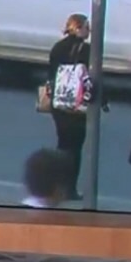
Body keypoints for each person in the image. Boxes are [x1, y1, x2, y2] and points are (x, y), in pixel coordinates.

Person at [46, 13, 91, 201]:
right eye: (87, 27)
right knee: (75, 147)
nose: (89, 30)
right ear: (78, 28)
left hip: (59, 102)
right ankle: (70, 188)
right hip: (77, 103)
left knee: (63, 143)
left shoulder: (57, 47)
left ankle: (56, 185)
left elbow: (51, 73)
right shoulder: (87, 50)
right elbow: (91, 78)